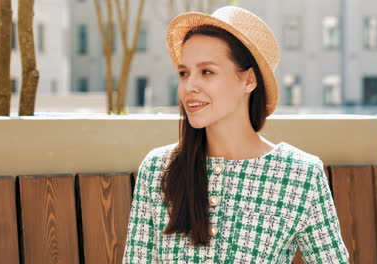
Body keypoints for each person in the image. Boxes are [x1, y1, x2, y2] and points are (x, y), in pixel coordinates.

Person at [123, 5, 349, 264]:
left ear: (249, 80)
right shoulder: (158, 169)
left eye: (207, 72)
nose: (189, 86)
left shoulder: (300, 175)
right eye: (184, 73)